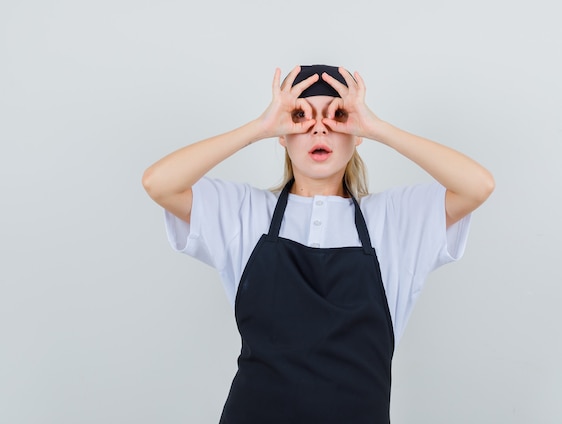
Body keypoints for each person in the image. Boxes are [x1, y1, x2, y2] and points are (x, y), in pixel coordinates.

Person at [142, 64, 494, 423]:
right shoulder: (244, 212)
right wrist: (259, 127)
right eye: (299, 116)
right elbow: (159, 183)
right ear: (283, 133)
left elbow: (477, 186)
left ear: (356, 133)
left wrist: (378, 128)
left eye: (338, 115)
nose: (319, 127)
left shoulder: (393, 219)